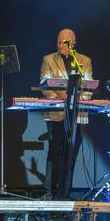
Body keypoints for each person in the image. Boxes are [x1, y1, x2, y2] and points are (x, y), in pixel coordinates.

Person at [40, 28, 93, 200]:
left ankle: (65, 193)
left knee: (71, 154)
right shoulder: (48, 59)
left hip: (77, 115)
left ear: (73, 43)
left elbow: (89, 87)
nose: (60, 45)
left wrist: (76, 103)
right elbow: (45, 85)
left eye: (64, 42)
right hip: (57, 114)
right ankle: (51, 191)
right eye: (58, 42)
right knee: (55, 151)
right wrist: (64, 101)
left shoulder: (84, 61)